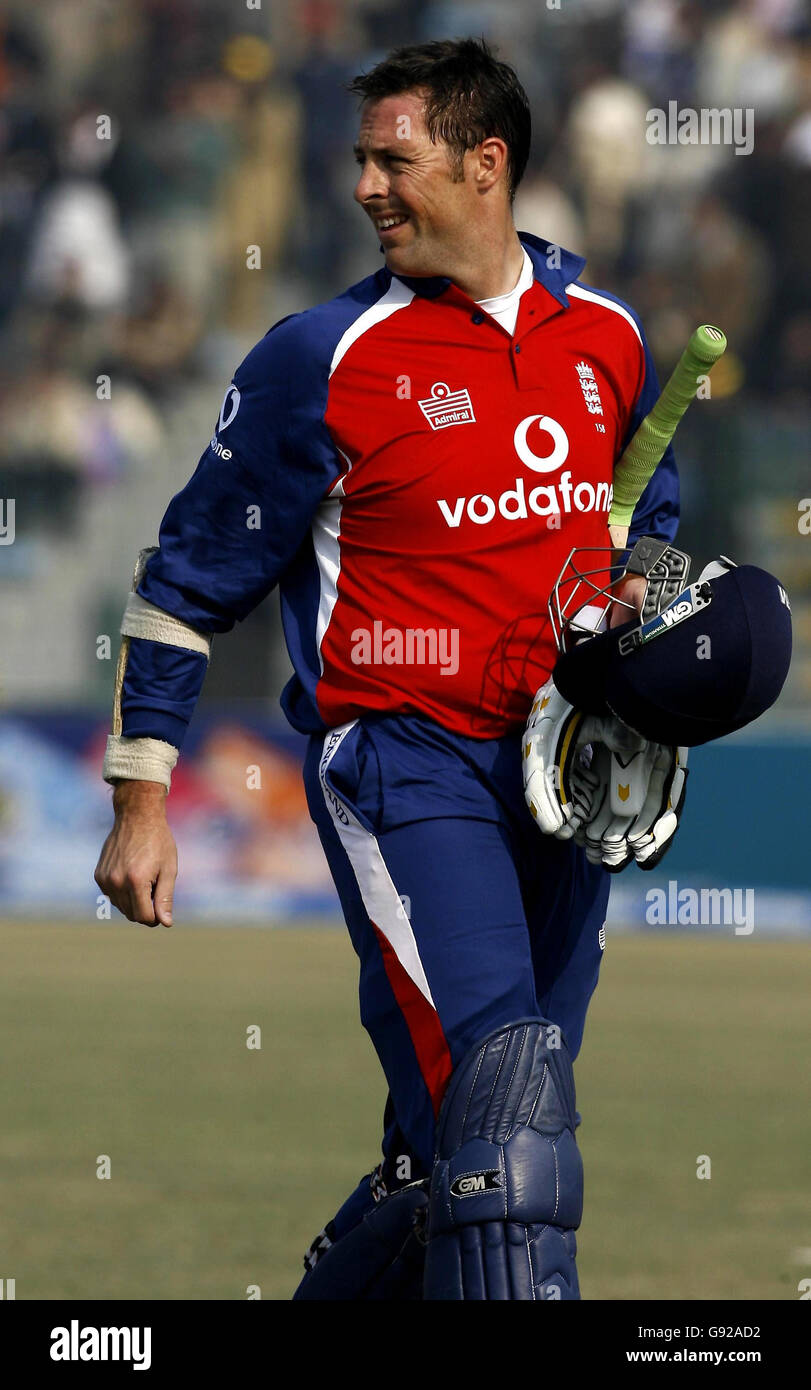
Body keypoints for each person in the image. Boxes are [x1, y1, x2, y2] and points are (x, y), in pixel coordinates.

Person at [94, 38, 678, 1300]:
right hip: (406, 768)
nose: (365, 185)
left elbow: (646, 510)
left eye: (391, 157)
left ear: (486, 164)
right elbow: (185, 582)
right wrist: (143, 793)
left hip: (565, 784)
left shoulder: (614, 339)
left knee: (459, 1160)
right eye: (359, 158)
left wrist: (658, 601)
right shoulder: (325, 357)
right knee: (510, 1128)